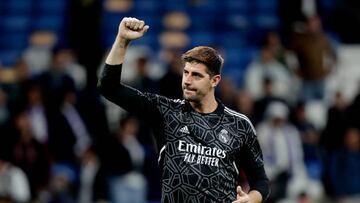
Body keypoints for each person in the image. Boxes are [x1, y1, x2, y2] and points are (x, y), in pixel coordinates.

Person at [98, 17, 269, 203]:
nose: (187, 80)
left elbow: (261, 182)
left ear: (215, 80)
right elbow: (109, 88)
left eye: (196, 75)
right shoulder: (166, 112)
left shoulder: (239, 124)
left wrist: (251, 200)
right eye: (185, 72)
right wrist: (122, 41)